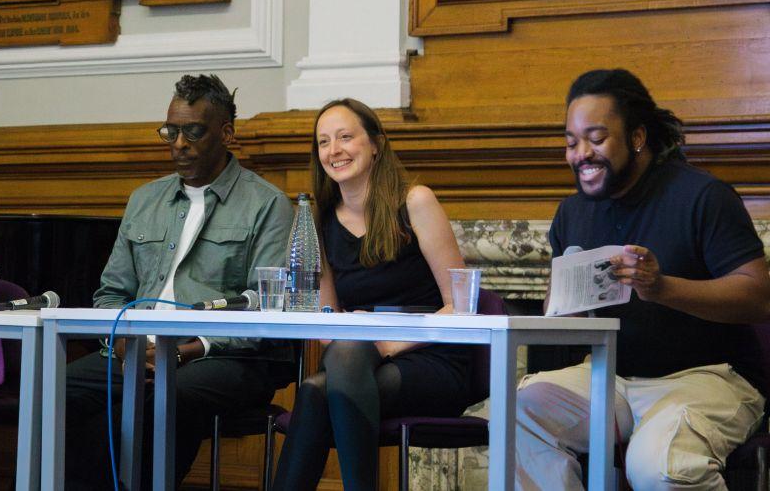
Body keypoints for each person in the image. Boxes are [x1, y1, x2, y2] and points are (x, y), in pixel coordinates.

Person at [515, 69, 770, 490]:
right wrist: (566, 309)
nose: (582, 154)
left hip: (709, 377)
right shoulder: (573, 213)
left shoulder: (702, 197)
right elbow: (557, 315)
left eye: (596, 139)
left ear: (636, 138)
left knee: (658, 464)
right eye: (571, 142)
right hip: (611, 378)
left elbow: (759, 297)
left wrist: (661, 287)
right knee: (517, 412)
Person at [65, 74, 296, 490]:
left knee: (168, 397)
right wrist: (121, 343)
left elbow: (265, 306)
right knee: (54, 390)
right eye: (171, 131)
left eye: (193, 132)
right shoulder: (144, 199)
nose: (178, 144)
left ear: (226, 133)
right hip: (136, 351)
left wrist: (188, 350)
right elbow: (111, 294)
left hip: (225, 358)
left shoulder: (267, 205)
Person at [272, 98, 473, 490]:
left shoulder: (415, 201)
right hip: (359, 356)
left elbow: (462, 304)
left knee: (318, 389)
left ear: (376, 143)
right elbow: (327, 322)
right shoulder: (320, 222)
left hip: (430, 355)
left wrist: (385, 344)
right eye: (324, 141)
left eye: (346, 137)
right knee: (325, 377)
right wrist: (363, 339)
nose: (335, 150)